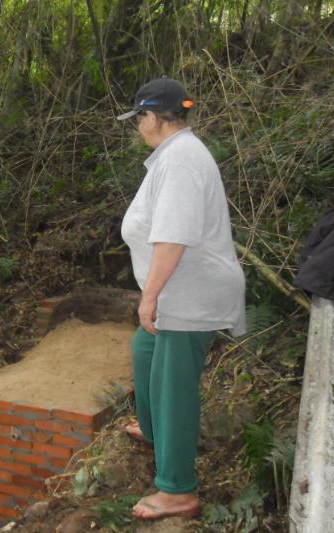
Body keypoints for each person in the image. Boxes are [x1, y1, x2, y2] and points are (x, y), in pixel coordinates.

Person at [117, 78, 246, 520]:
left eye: (138, 118)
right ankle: (154, 432)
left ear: (151, 117)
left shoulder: (181, 160)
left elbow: (173, 236)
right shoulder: (174, 157)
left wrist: (149, 297)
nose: (137, 127)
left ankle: (177, 490)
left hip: (188, 298)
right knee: (144, 350)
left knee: (173, 386)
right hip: (177, 292)